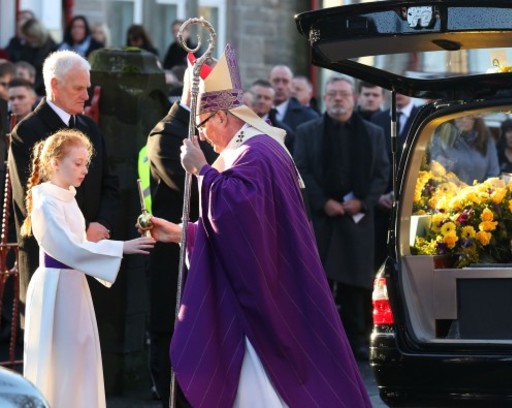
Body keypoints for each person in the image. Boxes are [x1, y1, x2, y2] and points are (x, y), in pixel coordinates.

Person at [143, 44, 371, 407]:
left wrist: (201, 170)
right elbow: (245, 230)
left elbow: (238, 214)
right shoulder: (254, 147)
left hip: (265, 294)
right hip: (269, 275)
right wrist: (180, 233)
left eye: (202, 126)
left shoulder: (256, 153)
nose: (201, 136)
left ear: (220, 117)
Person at [21, 129, 153, 408]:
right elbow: (69, 248)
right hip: (55, 288)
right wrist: (121, 247)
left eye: (86, 164)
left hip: (73, 286)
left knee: (79, 356)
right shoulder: (45, 200)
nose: (84, 170)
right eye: (77, 163)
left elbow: (78, 244)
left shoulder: (67, 196)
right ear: (56, 163)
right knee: (60, 359)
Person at [8, 50, 120, 326]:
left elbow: (110, 182)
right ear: (55, 85)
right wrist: (81, 233)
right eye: (78, 88)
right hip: (48, 263)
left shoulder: (90, 129)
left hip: (91, 255)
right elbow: (31, 199)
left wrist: (101, 224)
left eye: (87, 87)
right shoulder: (27, 132)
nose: (86, 95)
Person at [294, 74, 389, 361]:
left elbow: (382, 173)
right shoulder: (308, 130)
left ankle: (356, 340)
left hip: (356, 218)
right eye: (332, 94)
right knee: (318, 284)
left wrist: (363, 201)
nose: (338, 98)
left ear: (354, 98)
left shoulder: (373, 133)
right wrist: (323, 202)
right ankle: (315, 340)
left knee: (355, 286)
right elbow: (300, 169)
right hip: (321, 219)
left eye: (344, 94)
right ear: (324, 97)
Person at [146, 66, 218, 408]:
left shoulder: (208, 129)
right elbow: (188, 189)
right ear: (194, 92)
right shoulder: (166, 133)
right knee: (170, 338)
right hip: (173, 253)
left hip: (202, 247)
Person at [370, 92, 420, 269]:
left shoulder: (421, 117)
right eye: (394, 92)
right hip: (379, 204)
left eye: (403, 91)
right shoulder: (377, 119)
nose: (398, 95)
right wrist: (378, 195)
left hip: (410, 202)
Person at [429, 115, 500, 184]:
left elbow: (493, 173)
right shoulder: (442, 138)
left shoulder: (486, 140)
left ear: (476, 119)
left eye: (469, 116)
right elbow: (437, 172)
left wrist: (483, 192)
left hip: (479, 194)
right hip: (449, 192)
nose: (464, 120)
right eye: (460, 116)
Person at [268, 64, 318, 132]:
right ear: (269, 82)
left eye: (285, 81)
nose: (280, 86)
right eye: (276, 81)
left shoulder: (309, 117)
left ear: (291, 85)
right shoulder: (256, 112)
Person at [250, 78, 295, 152]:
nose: (262, 101)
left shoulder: (284, 134)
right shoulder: (235, 124)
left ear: (273, 102)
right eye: (258, 97)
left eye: (267, 98)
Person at [19, 18, 58, 96]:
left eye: (29, 36)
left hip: (43, 91)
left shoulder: (52, 48)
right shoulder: (28, 46)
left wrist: (33, 89)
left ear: (37, 34)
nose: (27, 39)